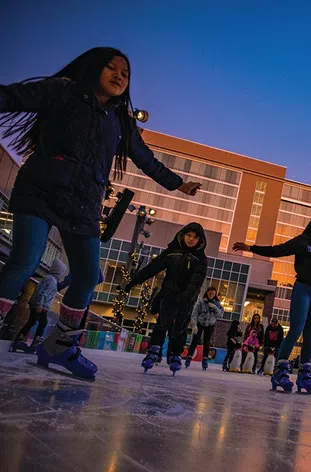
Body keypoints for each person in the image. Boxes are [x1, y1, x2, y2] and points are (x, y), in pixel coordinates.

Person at [0, 47, 202, 379]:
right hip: (41, 190)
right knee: (24, 261)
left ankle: (60, 347)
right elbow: (13, 96)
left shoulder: (120, 120)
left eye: (125, 73)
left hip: (84, 203)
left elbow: (145, 158)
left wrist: (178, 184)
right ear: (94, 69)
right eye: (111, 68)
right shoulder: (62, 91)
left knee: (88, 276)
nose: (120, 76)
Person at [232, 213, 311, 393]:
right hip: (303, 289)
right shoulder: (303, 241)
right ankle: (280, 371)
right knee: (296, 330)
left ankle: (304, 373)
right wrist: (251, 247)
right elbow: (278, 250)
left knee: (310, 333)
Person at [124, 223, 208, 375]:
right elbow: (152, 268)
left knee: (180, 328)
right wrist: (132, 282)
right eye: (188, 235)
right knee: (162, 324)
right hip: (169, 295)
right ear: (183, 235)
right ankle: (154, 349)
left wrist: (187, 297)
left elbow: (196, 282)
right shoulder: (171, 252)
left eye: (195, 238)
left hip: (187, 299)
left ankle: (175, 354)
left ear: (199, 240)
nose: (191, 239)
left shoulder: (200, 259)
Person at [9, 258, 68, 353]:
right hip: (41, 307)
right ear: (59, 271)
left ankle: (19, 340)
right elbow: (43, 293)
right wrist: (39, 305)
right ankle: (35, 342)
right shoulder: (52, 280)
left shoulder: (48, 278)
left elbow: (39, 291)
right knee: (43, 323)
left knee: (31, 322)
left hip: (37, 305)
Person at [185, 286, 223, 370]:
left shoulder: (217, 304)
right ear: (207, 293)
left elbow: (220, 314)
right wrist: (194, 325)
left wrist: (215, 307)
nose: (211, 295)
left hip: (210, 324)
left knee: (207, 342)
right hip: (200, 323)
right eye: (210, 293)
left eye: (213, 294)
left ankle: (205, 359)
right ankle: (189, 356)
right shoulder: (201, 302)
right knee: (195, 340)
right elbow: (194, 314)